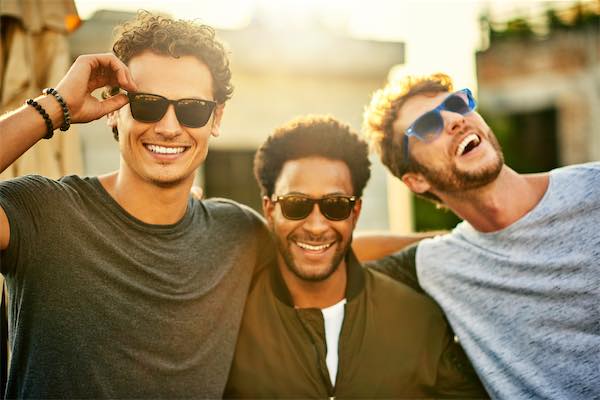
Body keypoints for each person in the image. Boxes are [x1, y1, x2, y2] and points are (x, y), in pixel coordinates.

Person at [0, 12, 274, 398]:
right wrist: (54, 106)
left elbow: (327, 264)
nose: (168, 127)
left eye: (193, 108)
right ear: (113, 110)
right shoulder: (43, 213)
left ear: (216, 119)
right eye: (147, 104)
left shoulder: (240, 236)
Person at [362, 73, 600, 399]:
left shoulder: (593, 192)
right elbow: (331, 249)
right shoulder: (441, 264)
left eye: (457, 104)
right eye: (428, 126)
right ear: (416, 180)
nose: (454, 120)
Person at [224, 115, 488, 398]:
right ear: (269, 210)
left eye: (335, 205)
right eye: (295, 204)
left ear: (356, 212)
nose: (315, 226)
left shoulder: (420, 320)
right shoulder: (228, 325)